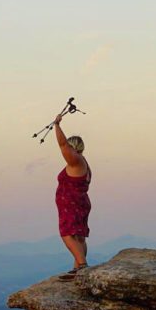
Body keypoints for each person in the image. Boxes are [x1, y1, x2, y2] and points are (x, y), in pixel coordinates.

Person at [52, 113, 91, 279]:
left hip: (72, 202)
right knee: (79, 235)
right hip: (79, 202)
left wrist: (57, 125)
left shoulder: (75, 160)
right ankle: (78, 267)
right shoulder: (82, 162)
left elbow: (62, 145)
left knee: (67, 232)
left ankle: (82, 265)